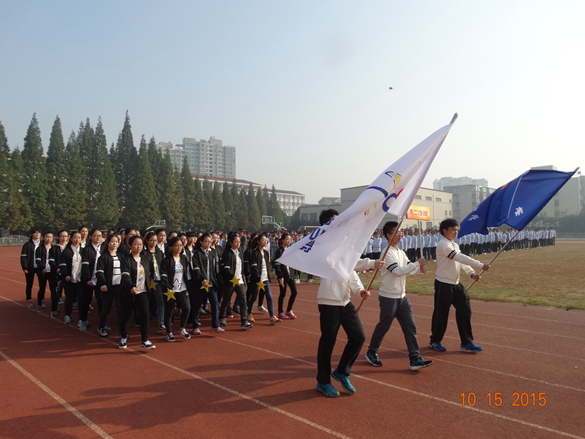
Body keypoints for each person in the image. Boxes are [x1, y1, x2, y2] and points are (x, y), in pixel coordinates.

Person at [315, 209, 383, 398]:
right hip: (329, 301)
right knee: (328, 342)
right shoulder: (323, 244)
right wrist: (370, 263)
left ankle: (342, 372)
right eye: (335, 221)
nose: (340, 223)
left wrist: (358, 289)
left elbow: (349, 272)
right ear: (326, 225)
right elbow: (344, 264)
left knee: (358, 337)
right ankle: (323, 381)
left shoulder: (344, 243)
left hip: (344, 301)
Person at [364, 221, 433, 371]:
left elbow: (407, 269)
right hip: (388, 297)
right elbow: (398, 271)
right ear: (389, 235)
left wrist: (420, 269)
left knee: (410, 326)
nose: (401, 234)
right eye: (398, 232)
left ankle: (414, 358)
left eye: (401, 232)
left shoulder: (401, 252)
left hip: (402, 297)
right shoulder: (386, 253)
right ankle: (371, 352)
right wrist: (416, 264)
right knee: (384, 326)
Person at [429, 219, 490, 353]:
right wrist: (480, 265)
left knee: (465, 310)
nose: (456, 233)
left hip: (456, 285)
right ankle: (435, 340)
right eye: (453, 230)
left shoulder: (454, 245)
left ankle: (467, 342)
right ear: (445, 231)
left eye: (457, 230)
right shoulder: (443, 245)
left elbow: (461, 262)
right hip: (443, 284)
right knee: (441, 314)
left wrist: (471, 273)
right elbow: (459, 257)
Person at [119, 235, 155, 350]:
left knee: (145, 315)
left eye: (140, 244)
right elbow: (125, 275)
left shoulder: (145, 258)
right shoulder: (125, 260)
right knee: (126, 315)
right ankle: (123, 336)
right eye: (135, 244)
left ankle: (145, 340)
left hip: (142, 291)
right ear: (130, 245)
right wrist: (130, 287)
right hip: (129, 292)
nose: (138, 246)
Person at [219, 232, 253, 330]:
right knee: (226, 301)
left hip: (240, 281)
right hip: (230, 281)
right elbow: (226, 268)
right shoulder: (227, 254)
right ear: (231, 243)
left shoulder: (240, 252)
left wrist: (247, 274)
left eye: (239, 242)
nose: (238, 244)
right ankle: (222, 318)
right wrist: (231, 276)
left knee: (243, 301)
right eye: (236, 242)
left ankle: (244, 322)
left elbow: (243, 265)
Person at [160, 236, 192, 341]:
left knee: (187, 308)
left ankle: (182, 328)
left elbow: (187, 273)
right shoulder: (166, 260)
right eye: (176, 245)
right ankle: (169, 332)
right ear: (171, 247)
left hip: (182, 288)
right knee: (169, 311)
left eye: (180, 245)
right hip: (170, 290)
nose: (179, 247)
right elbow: (163, 274)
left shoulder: (184, 258)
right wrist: (167, 287)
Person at [191, 233, 222, 333]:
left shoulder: (212, 252)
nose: (208, 243)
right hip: (200, 284)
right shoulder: (196, 253)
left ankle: (215, 325)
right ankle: (195, 326)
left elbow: (214, 268)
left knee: (215, 303)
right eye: (206, 242)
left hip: (211, 283)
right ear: (201, 242)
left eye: (210, 242)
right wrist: (202, 279)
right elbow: (196, 268)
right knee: (197, 304)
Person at [247, 234, 280, 325]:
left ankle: (272, 316)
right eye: (263, 240)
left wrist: (267, 277)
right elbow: (254, 267)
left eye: (266, 240)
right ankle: (249, 313)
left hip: (265, 279)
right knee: (253, 297)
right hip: (257, 279)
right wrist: (258, 278)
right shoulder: (254, 253)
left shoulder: (266, 253)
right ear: (258, 241)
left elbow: (266, 266)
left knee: (269, 297)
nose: (265, 242)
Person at [95, 234, 121, 338]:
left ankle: (122, 332)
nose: (114, 243)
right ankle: (101, 327)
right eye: (112, 241)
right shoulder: (103, 257)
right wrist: (103, 284)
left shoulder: (121, 256)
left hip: (119, 288)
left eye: (116, 241)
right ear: (107, 243)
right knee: (106, 309)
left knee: (120, 309)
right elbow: (99, 273)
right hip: (108, 288)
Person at [79, 229, 104, 331]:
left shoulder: (103, 249)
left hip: (100, 280)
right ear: (90, 237)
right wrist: (88, 279)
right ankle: (83, 320)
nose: (98, 238)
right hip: (89, 280)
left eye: (100, 235)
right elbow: (85, 265)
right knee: (86, 301)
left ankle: (103, 323)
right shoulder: (86, 249)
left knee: (102, 302)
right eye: (95, 236)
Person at [143, 231, 166, 334]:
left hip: (158, 281)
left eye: (155, 240)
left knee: (160, 301)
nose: (153, 242)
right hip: (147, 281)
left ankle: (161, 323)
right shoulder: (144, 253)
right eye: (151, 240)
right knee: (147, 301)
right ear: (147, 241)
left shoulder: (159, 252)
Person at [59, 231, 83, 325]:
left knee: (81, 298)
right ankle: (67, 315)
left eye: (79, 238)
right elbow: (62, 264)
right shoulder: (66, 251)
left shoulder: (84, 251)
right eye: (75, 238)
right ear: (71, 238)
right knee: (69, 298)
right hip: (69, 279)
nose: (77, 240)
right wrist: (65, 275)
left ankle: (82, 318)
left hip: (80, 279)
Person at [273, 233, 298, 320]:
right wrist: (280, 276)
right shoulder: (279, 251)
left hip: (290, 275)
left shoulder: (290, 250)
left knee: (294, 292)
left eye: (290, 239)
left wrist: (295, 273)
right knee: (283, 294)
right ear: (282, 240)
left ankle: (289, 310)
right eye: (287, 239)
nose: (289, 241)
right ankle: (280, 312)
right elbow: (277, 265)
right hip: (283, 276)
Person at [20, 227, 41, 308]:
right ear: (31, 234)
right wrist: (25, 267)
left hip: (40, 267)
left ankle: (41, 300)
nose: (37, 234)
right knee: (29, 284)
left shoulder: (42, 244)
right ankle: (29, 299)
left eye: (38, 232)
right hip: (30, 267)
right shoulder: (27, 245)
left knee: (42, 285)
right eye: (35, 233)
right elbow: (23, 257)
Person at [34, 231, 54, 312]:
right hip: (42, 272)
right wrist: (42, 268)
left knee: (53, 289)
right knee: (42, 288)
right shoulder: (39, 248)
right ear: (43, 238)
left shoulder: (53, 248)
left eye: (50, 237)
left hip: (51, 271)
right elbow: (38, 260)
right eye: (47, 237)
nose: (49, 239)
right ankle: (39, 304)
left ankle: (54, 306)